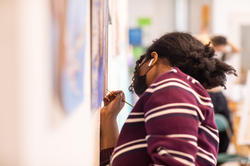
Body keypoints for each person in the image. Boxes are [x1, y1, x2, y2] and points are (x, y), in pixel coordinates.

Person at [100, 32, 236, 166]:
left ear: (153, 58)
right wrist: (109, 118)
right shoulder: (178, 90)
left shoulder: (172, 88)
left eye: (141, 61)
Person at [209, 35, 240, 153]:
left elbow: (237, 50)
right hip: (209, 94)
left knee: (228, 124)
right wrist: (209, 40)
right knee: (210, 123)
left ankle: (223, 152)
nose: (221, 49)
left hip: (220, 94)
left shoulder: (222, 56)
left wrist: (226, 41)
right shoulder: (207, 56)